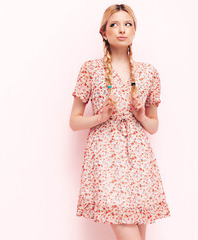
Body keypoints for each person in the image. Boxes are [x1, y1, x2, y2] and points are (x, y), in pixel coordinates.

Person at [69, 4, 170, 240]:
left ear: (135, 30)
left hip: (139, 158)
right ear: (104, 32)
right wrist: (100, 117)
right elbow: (74, 122)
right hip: (105, 155)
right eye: (114, 24)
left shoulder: (149, 72)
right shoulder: (90, 69)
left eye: (128, 24)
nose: (121, 29)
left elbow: (154, 126)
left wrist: (141, 116)